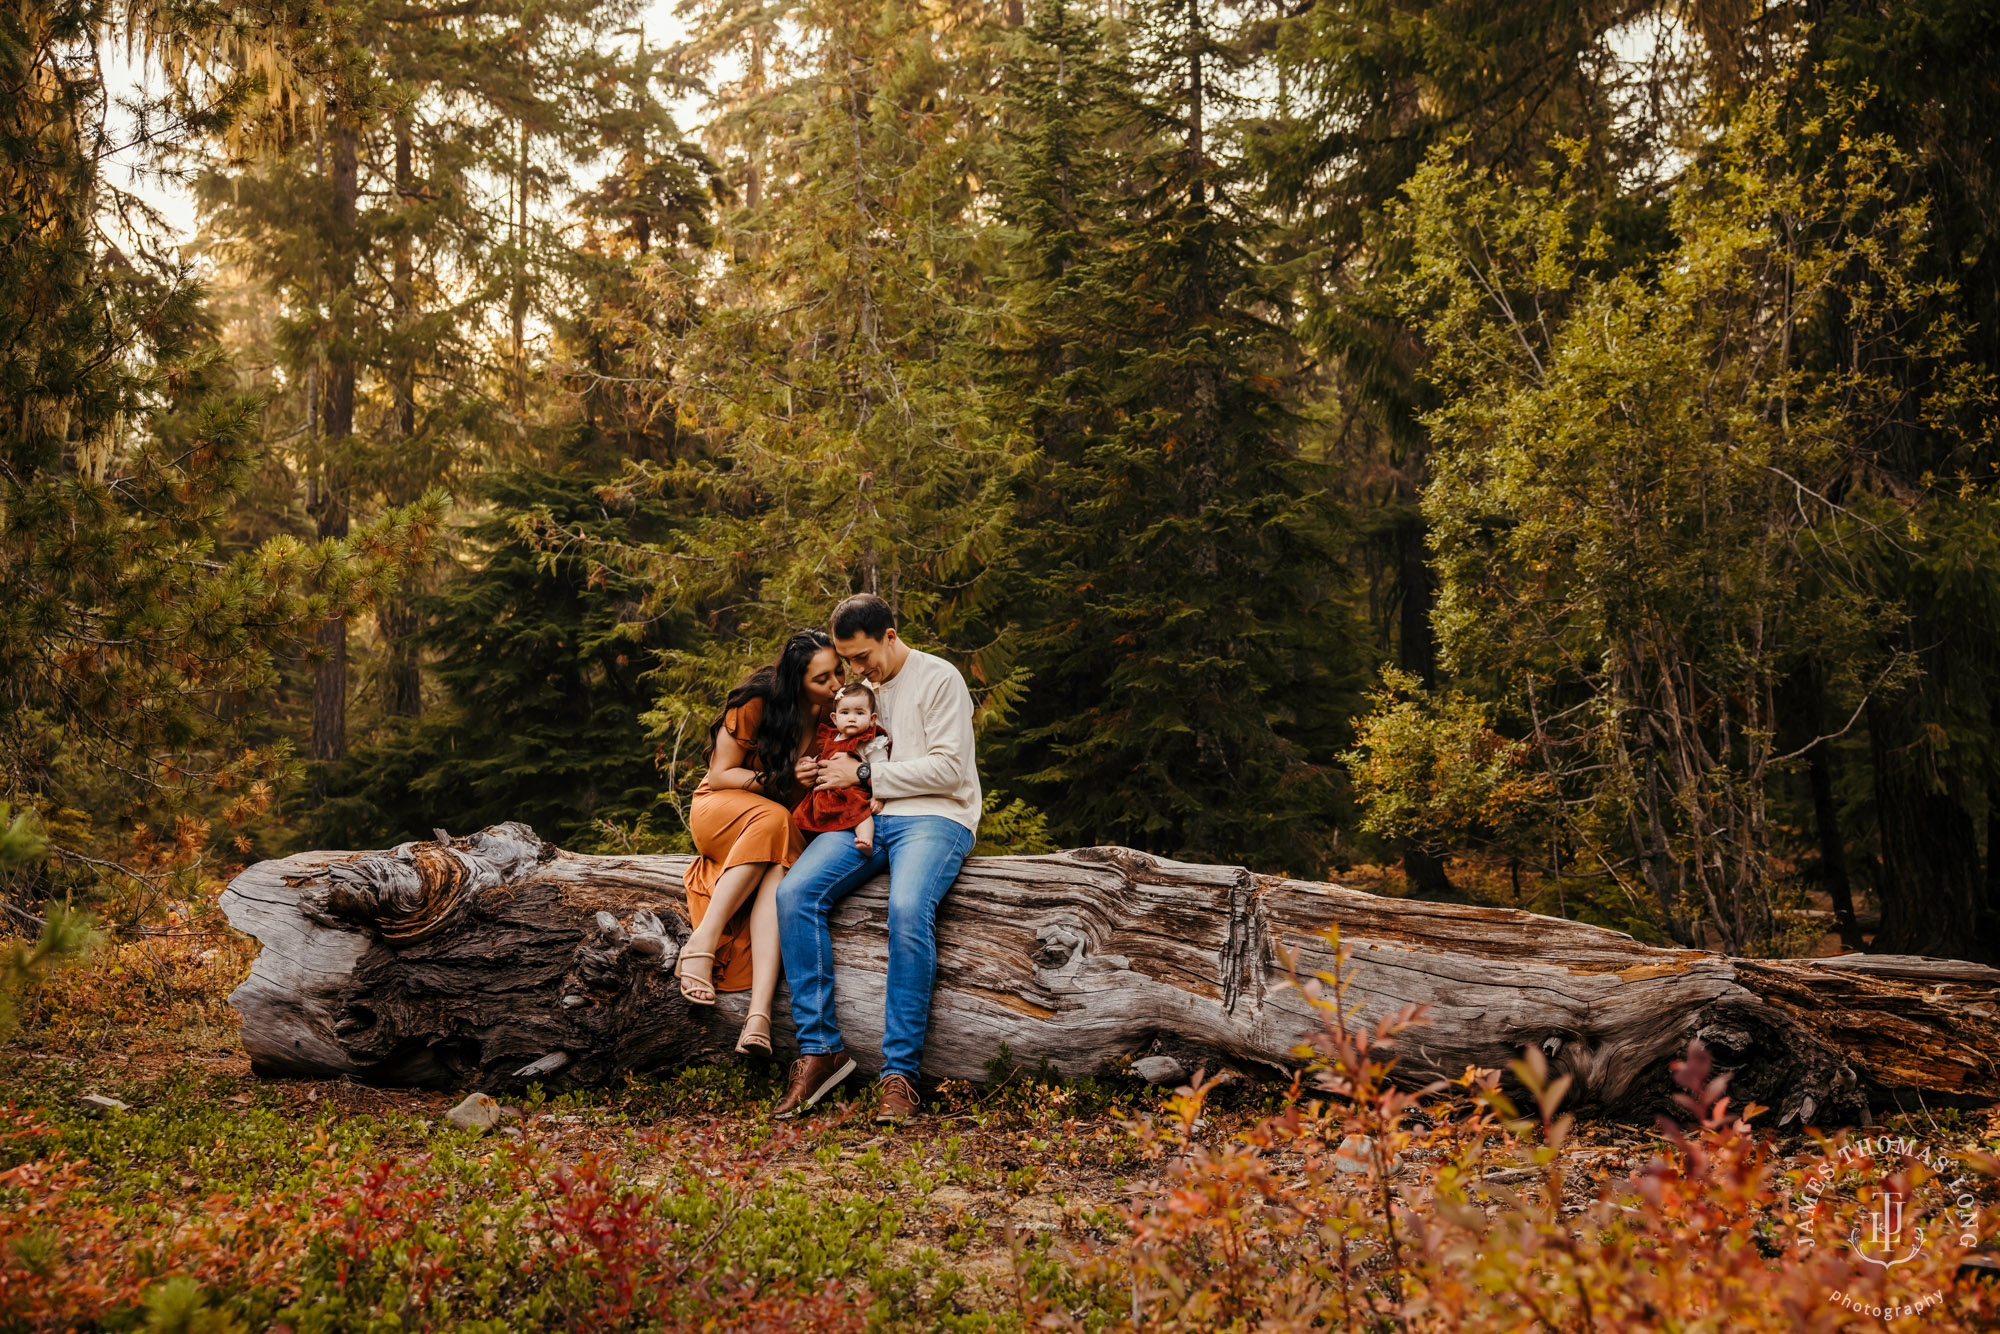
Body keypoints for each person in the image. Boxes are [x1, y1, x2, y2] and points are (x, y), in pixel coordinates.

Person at [772, 594, 982, 1124]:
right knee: (795, 894)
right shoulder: (860, 691)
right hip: (863, 817)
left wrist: (865, 776)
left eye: (863, 657)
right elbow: (846, 751)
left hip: (936, 818)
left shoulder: (939, 679)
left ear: (890, 635)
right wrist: (817, 772)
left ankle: (900, 1075)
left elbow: (950, 770)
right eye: (848, 660)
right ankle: (822, 1051)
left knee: (908, 908)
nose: (856, 670)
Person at [678, 629, 845, 1056]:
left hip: (778, 830)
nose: (836, 685)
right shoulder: (757, 702)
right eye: (822, 679)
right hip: (721, 810)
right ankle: (702, 943)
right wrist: (781, 781)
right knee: (775, 817)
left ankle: (759, 1015)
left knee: (781, 868)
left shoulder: (836, 717)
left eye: (838, 672)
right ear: (796, 681)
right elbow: (720, 775)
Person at [792, 682, 894, 855]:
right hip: (825, 794)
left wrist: (879, 795)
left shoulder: (869, 741)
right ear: (834, 718)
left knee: (859, 813)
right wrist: (810, 763)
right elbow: (824, 758)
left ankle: (866, 839)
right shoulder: (831, 738)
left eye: (859, 713)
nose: (851, 718)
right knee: (799, 815)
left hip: (853, 793)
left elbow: (881, 768)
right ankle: (799, 846)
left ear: (872, 718)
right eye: (845, 713)